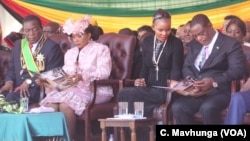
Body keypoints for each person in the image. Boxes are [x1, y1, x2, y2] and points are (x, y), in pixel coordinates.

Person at [37, 15, 113, 140]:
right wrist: (47, 82)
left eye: (79, 35)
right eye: (73, 36)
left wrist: (83, 76)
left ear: (89, 35)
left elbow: (104, 72)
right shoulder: (70, 53)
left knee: (65, 105)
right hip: (72, 89)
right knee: (52, 104)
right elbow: (65, 75)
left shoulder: (101, 49)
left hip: (96, 90)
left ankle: (69, 138)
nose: (75, 39)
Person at [171, 14, 246, 124]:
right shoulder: (194, 44)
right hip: (198, 92)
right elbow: (187, 66)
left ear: (210, 26)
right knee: (178, 107)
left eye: (201, 33)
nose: (199, 38)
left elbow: (237, 70)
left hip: (219, 91)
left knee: (208, 108)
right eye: (195, 36)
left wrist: (213, 81)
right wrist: (192, 82)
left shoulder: (229, 43)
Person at [117, 8, 184, 118]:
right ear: (153, 27)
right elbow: (145, 66)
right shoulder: (147, 41)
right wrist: (140, 80)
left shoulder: (176, 43)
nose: (164, 33)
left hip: (164, 90)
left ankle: (135, 131)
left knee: (127, 93)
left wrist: (172, 84)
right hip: (148, 87)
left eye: (168, 29)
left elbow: (176, 71)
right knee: (128, 94)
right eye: (160, 30)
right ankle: (134, 130)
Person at [0, 15, 64, 104]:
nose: (31, 34)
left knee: (10, 99)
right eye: (27, 30)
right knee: (3, 96)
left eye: (34, 29)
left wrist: (29, 81)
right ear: (23, 31)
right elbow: (12, 69)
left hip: (36, 90)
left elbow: (53, 73)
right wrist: (9, 82)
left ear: (41, 29)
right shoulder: (19, 44)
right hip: (15, 88)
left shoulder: (51, 47)